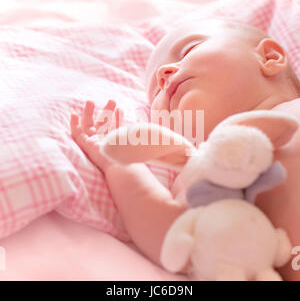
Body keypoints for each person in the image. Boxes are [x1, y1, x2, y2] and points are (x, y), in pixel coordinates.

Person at [70, 18, 300, 280]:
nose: (163, 74)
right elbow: (171, 237)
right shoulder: (206, 170)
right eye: (155, 93)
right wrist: (116, 163)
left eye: (189, 50)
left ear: (268, 57)